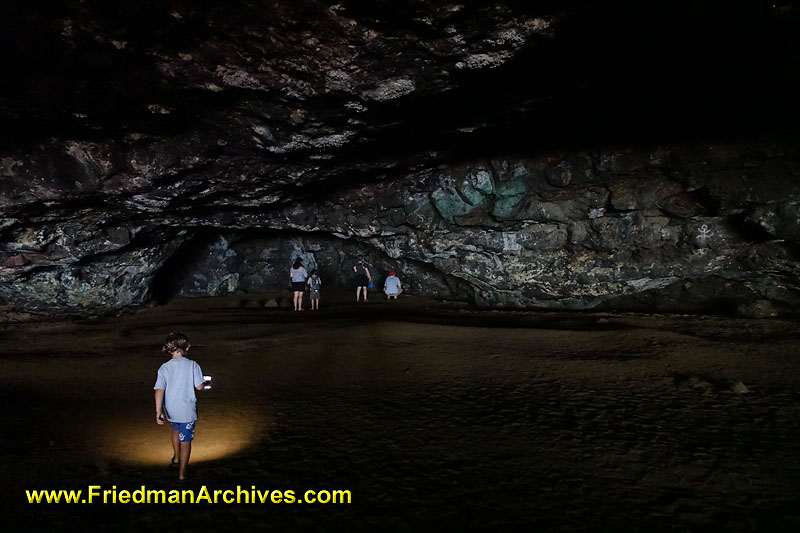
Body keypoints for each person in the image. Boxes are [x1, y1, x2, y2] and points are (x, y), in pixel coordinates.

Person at [154, 332, 207, 481]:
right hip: (186, 411)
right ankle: (182, 473)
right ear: (186, 347)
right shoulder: (192, 365)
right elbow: (199, 387)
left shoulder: (164, 367)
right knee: (186, 441)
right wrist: (206, 383)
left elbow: (159, 389)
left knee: (175, 429)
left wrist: (158, 410)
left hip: (171, 409)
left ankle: (176, 459)